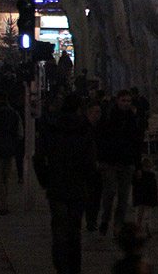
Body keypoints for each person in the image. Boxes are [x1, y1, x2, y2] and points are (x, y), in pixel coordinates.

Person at [34, 94, 96, 274]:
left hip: (57, 185)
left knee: (59, 230)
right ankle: (74, 267)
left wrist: (45, 180)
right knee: (75, 231)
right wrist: (88, 180)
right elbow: (90, 160)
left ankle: (61, 266)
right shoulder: (84, 128)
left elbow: (39, 158)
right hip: (77, 186)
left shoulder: (52, 127)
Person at [97, 89, 143, 237]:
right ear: (117, 101)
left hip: (127, 162)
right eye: (123, 100)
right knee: (110, 192)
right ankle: (105, 219)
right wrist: (101, 159)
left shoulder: (133, 119)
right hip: (109, 161)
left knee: (123, 197)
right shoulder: (108, 117)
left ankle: (118, 225)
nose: (126, 104)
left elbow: (137, 143)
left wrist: (138, 165)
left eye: (128, 101)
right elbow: (101, 139)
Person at [85, 102, 105, 232]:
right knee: (88, 195)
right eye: (95, 112)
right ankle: (89, 219)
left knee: (96, 195)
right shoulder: (83, 128)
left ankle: (92, 220)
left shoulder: (101, 128)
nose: (98, 115)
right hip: (86, 166)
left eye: (99, 112)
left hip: (99, 166)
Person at [132, 156, 158, 237]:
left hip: (139, 198)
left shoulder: (138, 176)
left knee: (139, 214)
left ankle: (138, 228)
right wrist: (155, 200)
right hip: (148, 199)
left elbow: (134, 185)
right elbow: (154, 190)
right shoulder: (151, 176)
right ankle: (147, 227)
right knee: (147, 214)